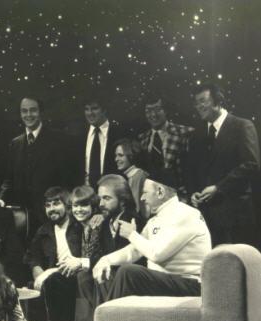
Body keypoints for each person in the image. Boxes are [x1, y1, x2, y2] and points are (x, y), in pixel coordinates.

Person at [92, 171, 212, 301]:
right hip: (166, 282)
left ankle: (108, 314)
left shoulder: (186, 214)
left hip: (190, 284)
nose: (142, 198)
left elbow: (157, 254)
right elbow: (135, 251)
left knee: (128, 273)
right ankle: (108, 313)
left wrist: (131, 234)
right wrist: (106, 260)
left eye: (145, 192)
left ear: (160, 192)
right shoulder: (155, 220)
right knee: (108, 274)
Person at [187, 83, 260, 246]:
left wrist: (219, 187)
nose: (199, 106)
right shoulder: (197, 134)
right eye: (196, 103)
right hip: (207, 219)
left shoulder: (242, 126)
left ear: (218, 101)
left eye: (203, 101)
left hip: (236, 216)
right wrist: (193, 192)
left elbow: (251, 164)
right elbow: (192, 169)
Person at [25, 186, 102, 321]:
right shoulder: (44, 230)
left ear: (67, 205)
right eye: (48, 205)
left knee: (55, 281)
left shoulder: (79, 224)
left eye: (56, 203)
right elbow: (33, 257)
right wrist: (39, 274)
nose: (51, 209)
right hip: (52, 279)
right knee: (34, 286)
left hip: (77, 275)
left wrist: (100, 215)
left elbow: (90, 254)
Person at [0, 97, 74, 236]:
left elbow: (66, 179)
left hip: (50, 215)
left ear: (41, 112)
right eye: (24, 111)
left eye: (33, 110)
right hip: (23, 219)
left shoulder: (58, 140)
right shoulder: (15, 143)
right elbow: (8, 180)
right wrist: (1, 198)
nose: (28, 115)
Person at [76, 175, 143, 317]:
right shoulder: (106, 223)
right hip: (108, 275)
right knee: (83, 277)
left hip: (127, 277)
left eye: (106, 198)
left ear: (123, 200)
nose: (100, 204)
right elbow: (98, 255)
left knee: (106, 275)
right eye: (100, 198)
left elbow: (131, 258)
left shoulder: (133, 221)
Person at [136, 94, 193, 196]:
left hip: (181, 196)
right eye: (148, 111)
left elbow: (194, 168)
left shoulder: (184, 133)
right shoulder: (142, 139)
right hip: (154, 197)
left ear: (166, 110)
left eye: (157, 109)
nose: (153, 114)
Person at [76, 95, 119, 188]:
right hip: (85, 192)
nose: (90, 113)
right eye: (86, 109)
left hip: (111, 189)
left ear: (104, 110)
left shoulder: (118, 133)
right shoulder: (78, 136)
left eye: (94, 108)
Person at [114, 139, 149, 214]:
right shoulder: (130, 176)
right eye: (116, 155)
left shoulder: (138, 175)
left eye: (120, 155)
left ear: (131, 156)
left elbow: (137, 208)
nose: (116, 159)